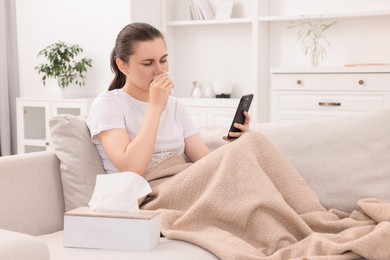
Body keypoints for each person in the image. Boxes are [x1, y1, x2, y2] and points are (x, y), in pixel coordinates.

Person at [86, 22, 250, 175]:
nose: (160, 71)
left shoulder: (174, 106)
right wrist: (155, 107)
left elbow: (206, 162)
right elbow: (131, 168)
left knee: (255, 142)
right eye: (148, 63)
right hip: (145, 193)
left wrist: (237, 144)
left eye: (163, 60)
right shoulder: (108, 104)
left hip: (181, 180)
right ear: (122, 66)